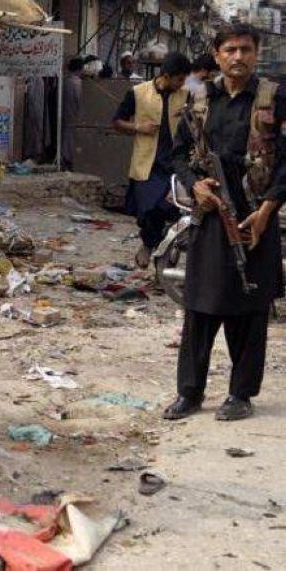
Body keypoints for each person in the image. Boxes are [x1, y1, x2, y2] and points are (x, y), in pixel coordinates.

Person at [165, 23, 286, 421]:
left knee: (250, 310)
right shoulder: (199, 98)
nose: (238, 56)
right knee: (200, 306)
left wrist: (267, 210)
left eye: (246, 49)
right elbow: (178, 153)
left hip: (256, 217)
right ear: (217, 55)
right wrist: (194, 184)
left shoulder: (274, 97)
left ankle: (240, 394)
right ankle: (190, 393)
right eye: (230, 49)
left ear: (256, 53)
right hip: (211, 216)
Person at [113, 52, 192, 268]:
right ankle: (151, 244)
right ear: (166, 76)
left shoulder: (186, 96)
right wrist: (139, 127)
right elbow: (117, 122)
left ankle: (158, 250)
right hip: (147, 163)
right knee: (147, 211)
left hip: (175, 164)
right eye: (179, 79)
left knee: (167, 208)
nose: (182, 84)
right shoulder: (138, 92)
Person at [61, 57, 84, 171]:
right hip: (74, 113)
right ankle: (68, 160)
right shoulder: (77, 83)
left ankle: (65, 158)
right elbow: (80, 100)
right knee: (71, 137)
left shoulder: (66, 81)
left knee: (67, 135)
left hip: (67, 112)